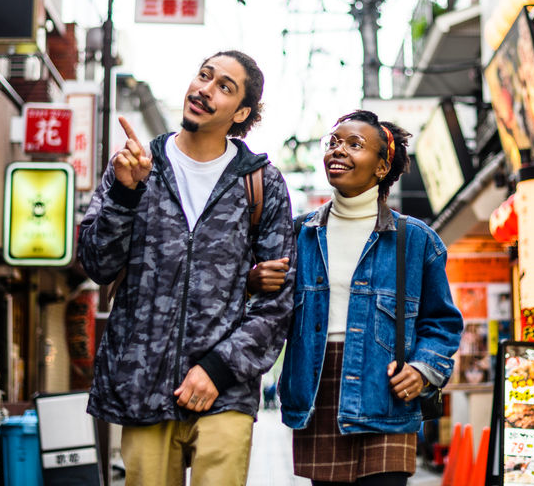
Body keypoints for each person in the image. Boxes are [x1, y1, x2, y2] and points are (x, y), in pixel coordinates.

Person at [78, 50, 296, 486]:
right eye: (203, 76)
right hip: (143, 385)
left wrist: (218, 369)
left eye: (223, 87)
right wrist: (124, 195)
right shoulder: (138, 166)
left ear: (242, 112)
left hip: (226, 389)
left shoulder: (261, 182)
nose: (204, 90)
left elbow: (279, 299)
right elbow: (97, 264)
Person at [249, 110, 464, 485]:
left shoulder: (416, 240)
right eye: (333, 142)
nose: (338, 151)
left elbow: (442, 323)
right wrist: (252, 281)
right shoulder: (297, 234)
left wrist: (423, 370)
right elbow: (268, 311)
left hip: (386, 395)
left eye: (354, 144)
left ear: (382, 167)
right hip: (319, 391)